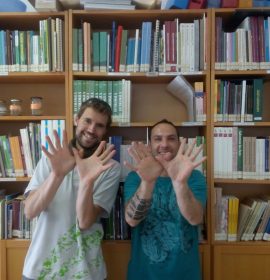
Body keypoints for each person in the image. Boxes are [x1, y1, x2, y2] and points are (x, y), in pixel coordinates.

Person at [22, 98, 121, 280]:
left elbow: (84, 222)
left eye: (99, 125)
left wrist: (87, 180)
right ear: (76, 119)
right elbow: (29, 211)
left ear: (105, 130)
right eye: (87, 121)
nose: (91, 130)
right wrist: (57, 175)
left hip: (85, 272)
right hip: (39, 270)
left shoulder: (110, 168)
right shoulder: (51, 159)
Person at [124, 119, 207, 280]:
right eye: (158, 138)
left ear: (178, 143)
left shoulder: (195, 177)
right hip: (143, 274)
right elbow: (132, 220)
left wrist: (180, 182)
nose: (164, 144)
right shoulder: (135, 178)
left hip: (185, 274)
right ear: (149, 145)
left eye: (171, 138)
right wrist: (147, 182)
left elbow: (195, 218)